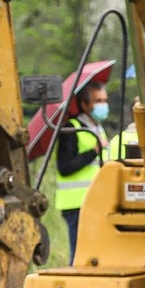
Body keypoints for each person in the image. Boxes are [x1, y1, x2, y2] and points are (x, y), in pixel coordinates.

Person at [56, 81, 109, 263]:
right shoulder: (71, 128)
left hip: (96, 201)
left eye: (104, 100)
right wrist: (93, 151)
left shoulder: (97, 128)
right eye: (98, 101)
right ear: (85, 104)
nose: (103, 105)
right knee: (79, 255)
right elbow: (65, 167)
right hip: (77, 203)